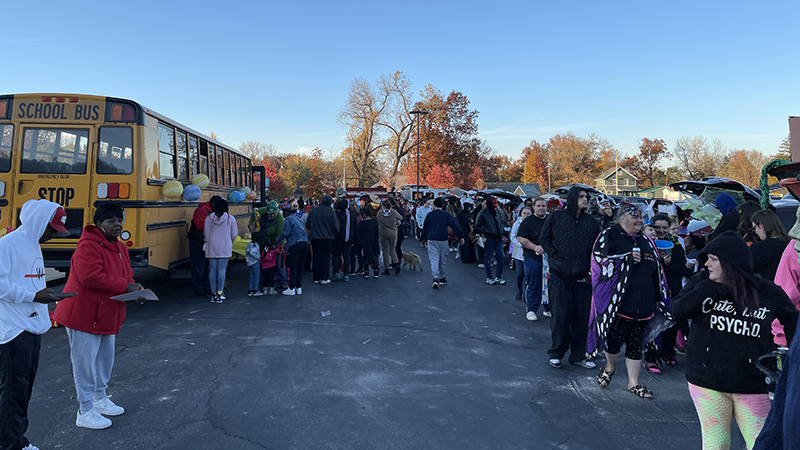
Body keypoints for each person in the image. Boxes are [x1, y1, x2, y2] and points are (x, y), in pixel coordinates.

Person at [672, 231, 798, 450]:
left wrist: (787, 353)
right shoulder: (702, 282)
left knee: (759, 444)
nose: (706, 264)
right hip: (707, 380)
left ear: (730, 263)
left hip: (752, 383)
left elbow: (792, 318)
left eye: (713, 260)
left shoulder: (765, 290)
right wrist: (712, 287)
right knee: (716, 444)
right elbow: (677, 311)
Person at [53, 201, 147, 430]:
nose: (117, 225)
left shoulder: (120, 246)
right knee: (84, 364)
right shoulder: (88, 246)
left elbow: (127, 275)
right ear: (99, 224)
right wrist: (126, 287)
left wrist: (134, 288)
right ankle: (85, 410)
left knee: (104, 360)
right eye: (110, 221)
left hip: (106, 313)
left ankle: (100, 398)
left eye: (119, 220)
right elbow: (90, 278)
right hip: (84, 314)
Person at [587, 203, 671, 399]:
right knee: (614, 340)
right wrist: (624, 259)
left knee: (635, 343)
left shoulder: (647, 240)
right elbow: (598, 262)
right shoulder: (609, 235)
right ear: (622, 218)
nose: (640, 221)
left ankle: (633, 383)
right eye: (635, 217)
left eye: (641, 218)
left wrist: (660, 297)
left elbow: (656, 271)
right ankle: (609, 367)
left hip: (644, 304)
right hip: (619, 304)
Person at [0, 200, 64, 449]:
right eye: (51, 229)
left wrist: (42, 293)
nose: (52, 235)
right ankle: (11, 444)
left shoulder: (33, 244)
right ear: (38, 223)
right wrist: (34, 296)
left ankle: (16, 439)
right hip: (13, 330)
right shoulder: (8, 245)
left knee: (23, 389)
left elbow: (29, 282)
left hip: (31, 327)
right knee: (13, 392)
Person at [540, 186, 601, 369]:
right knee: (560, 317)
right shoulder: (556, 218)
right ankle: (557, 352)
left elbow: (597, 247)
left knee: (581, 320)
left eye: (586, 197)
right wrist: (555, 255)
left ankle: (578, 355)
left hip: (582, 278)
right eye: (581, 196)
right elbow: (544, 239)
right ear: (573, 198)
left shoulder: (591, 222)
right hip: (559, 276)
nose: (585, 200)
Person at [645, 213, 694, 371]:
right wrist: (659, 261)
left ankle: (668, 352)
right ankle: (650, 357)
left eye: (664, 227)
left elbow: (680, 267)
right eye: (657, 227)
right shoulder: (646, 244)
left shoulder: (676, 244)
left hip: (672, 289)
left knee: (671, 323)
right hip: (652, 289)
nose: (660, 231)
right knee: (652, 324)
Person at [421, 197, 465, 289]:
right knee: (442, 259)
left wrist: (424, 239)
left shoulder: (430, 215)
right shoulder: (446, 215)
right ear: (442, 205)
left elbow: (425, 228)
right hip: (443, 239)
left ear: (434, 205)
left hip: (432, 239)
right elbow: (455, 225)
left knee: (434, 259)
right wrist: (460, 236)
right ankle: (442, 277)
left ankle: (435, 277)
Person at [517, 198, 548, 321]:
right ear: (534, 207)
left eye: (543, 206)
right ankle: (531, 308)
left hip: (549, 257)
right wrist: (535, 247)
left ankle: (548, 307)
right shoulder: (528, 222)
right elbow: (520, 238)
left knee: (550, 283)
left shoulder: (550, 220)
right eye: (539, 206)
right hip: (532, 256)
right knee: (534, 282)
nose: (541, 208)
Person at [204, 199, 238, 303]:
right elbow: (234, 234)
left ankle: (213, 293)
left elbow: (205, 233)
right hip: (224, 246)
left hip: (211, 246)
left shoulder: (208, 218)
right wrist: (229, 241)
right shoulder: (230, 218)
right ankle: (220, 293)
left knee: (212, 270)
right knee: (222, 270)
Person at [187, 195, 220, 296]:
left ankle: (206, 287)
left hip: (203, 240)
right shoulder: (202, 210)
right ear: (213, 204)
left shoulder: (208, 210)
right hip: (198, 241)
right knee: (199, 266)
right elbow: (200, 225)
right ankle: (199, 289)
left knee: (205, 266)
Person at [253, 200, 286, 293]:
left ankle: (282, 281)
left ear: (277, 211)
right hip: (262, 241)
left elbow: (281, 235)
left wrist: (281, 247)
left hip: (274, 242)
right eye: (269, 213)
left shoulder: (280, 220)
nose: (271, 215)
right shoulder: (262, 211)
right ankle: (262, 283)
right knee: (262, 265)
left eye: (273, 213)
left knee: (278, 263)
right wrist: (252, 225)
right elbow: (254, 215)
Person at [275, 208, 309, 295]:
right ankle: (299, 287)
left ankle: (291, 288)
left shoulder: (288, 219)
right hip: (305, 242)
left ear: (285, 214)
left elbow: (286, 232)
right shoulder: (298, 219)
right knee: (300, 266)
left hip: (295, 243)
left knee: (293, 265)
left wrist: (277, 240)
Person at [306, 194, 339, 284]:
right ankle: (325, 277)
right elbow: (335, 227)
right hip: (328, 238)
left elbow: (307, 225)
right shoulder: (331, 212)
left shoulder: (314, 211)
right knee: (326, 258)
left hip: (315, 238)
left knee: (316, 257)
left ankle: (316, 277)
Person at [750, 209, 790, 281]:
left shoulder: (757, 248)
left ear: (761, 226)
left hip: (765, 289)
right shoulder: (790, 244)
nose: (755, 232)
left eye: (754, 228)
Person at [474, 196, 506, 285]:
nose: (495, 204)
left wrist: (501, 232)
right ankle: (489, 276)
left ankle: (498, 276)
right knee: (488, 257)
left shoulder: (497, 212)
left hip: (498, 237)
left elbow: (500, 223)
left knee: (500, 257)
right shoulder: (483, 213)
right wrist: (486, 231)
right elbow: (477, 227)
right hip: (489, 237)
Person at [332, 199, 356, 282]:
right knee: (346, 257)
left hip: (338, 238)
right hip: (348, 238)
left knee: (336, 255)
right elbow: (354, 228)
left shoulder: (336, 214)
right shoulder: (352, 215)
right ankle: (346, 274)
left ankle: (336, 272)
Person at [377, 200, 403, 275]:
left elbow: (378, 220)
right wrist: (396, 223)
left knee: (385, 251)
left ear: (383, 206)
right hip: (393, 233)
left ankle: (386, 268)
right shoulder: (394, 212)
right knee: (392, 249)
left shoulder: (380, 213)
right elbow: (400, 218)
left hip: (383, 233)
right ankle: (396, 263)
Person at [510, 207, 531, 300]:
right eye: (524, 213)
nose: (526, 215)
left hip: (530, 252)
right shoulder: (517, 224)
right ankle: (519, 289)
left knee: (528, 274)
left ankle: (528, 293)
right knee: (520, 273)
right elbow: (512, 236)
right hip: (519, 252)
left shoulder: (532, 224)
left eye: (528, 213)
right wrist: (520, 244)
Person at [358, 206, 381, 279]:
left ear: (364, 215)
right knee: (374, 256)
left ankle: (366, 272)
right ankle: (376, 271)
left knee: (366, 257)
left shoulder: (362, 224)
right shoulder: (374, 222)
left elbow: (360, 234)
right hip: (374, 241)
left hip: (365, 242)